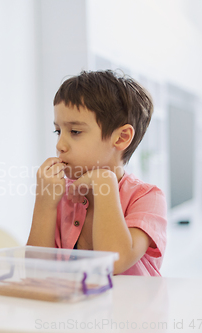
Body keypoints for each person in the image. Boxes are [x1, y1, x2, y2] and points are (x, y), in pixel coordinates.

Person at [27, 70, 167, 276]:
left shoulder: (147, 198)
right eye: (58, 131)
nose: (60, 145)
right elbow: (34, 272)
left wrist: (104, 182)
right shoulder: (60, 194)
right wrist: (44, 204)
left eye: (75, 132)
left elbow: (113, 263)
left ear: (121, 138)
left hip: (133, 307)